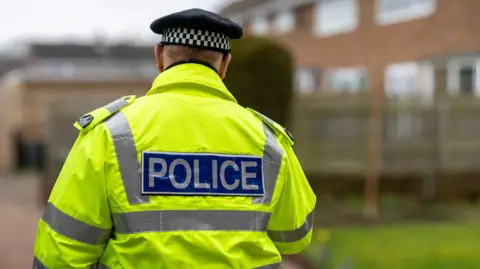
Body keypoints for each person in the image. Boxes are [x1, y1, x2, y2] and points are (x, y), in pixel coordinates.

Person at [32, 8, 316, 269]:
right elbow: (295, 236)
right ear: (225, 63)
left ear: (159, 56)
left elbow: (61, 252)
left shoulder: (110, 133)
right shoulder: (268, 140)